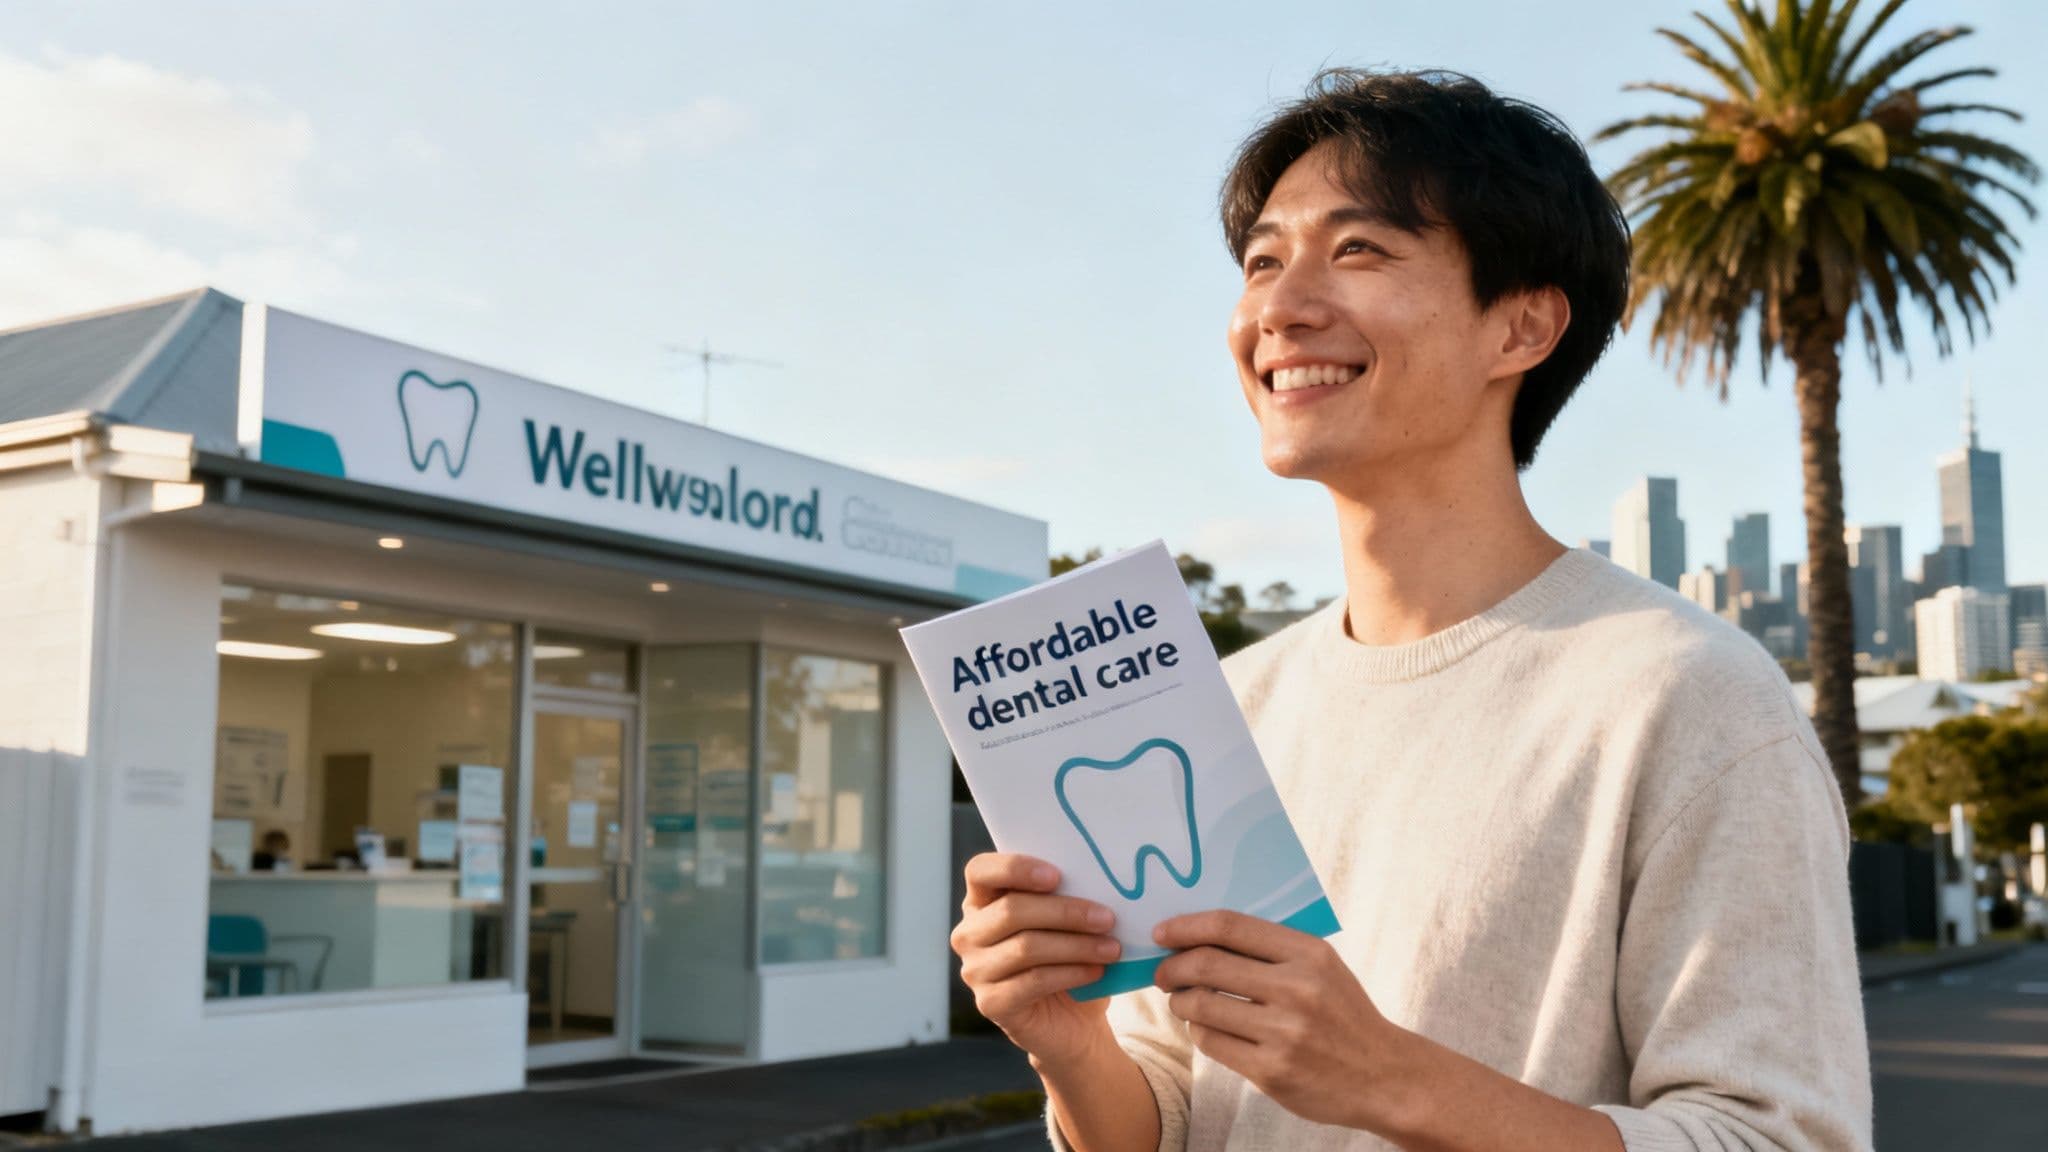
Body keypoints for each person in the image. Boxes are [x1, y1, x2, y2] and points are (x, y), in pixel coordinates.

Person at [950, 69, 1870, 1151]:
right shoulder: (1226, 702)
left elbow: (1778, 1138)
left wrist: (1394, 1084)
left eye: (1357, 251)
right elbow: (1179, 1110)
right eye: (1260, 261)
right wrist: (1071, 1049)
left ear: (1520, 327)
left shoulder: (1686, 695)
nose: (1278, 308)